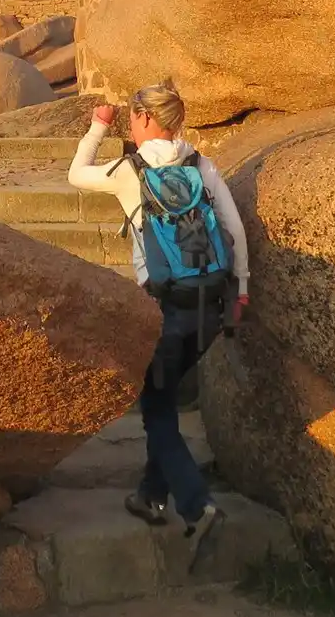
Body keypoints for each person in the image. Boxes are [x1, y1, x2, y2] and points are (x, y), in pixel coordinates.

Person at [68, 80, 249, 557]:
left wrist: (97, 127)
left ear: (146, 119)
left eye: (132, 117)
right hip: (210, 306)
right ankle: (151, 496)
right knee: (163, 396)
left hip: (165, 309)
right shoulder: (201, 165)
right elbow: (233, 230)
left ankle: (197, 505)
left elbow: (76, 174)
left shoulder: (129, 171)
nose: (130, 123)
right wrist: (243, 291)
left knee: (157, 410)